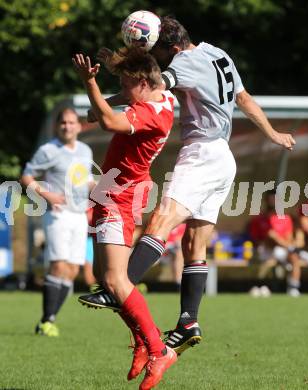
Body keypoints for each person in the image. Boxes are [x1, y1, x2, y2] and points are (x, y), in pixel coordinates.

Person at [79, 16, 296, 355]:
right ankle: (188, 321)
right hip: (224, 157)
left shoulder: (183, 62)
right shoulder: (218, 53)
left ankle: (119, 287)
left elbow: (150, 90)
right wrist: (272, 133)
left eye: (160, 53)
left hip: (201, 152)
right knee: (195, 243)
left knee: (160, 222)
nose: (161, 60)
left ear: (174, 47)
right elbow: (245, 100)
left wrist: (108, 85)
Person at [72, 47, 177, 389]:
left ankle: (159, 349)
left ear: (144, 83)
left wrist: (91, 84)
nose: (123, 90)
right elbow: (116, 103)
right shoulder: (161, 98)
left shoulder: (151, 114)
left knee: (116, 281)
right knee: (105, 277)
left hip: (122, 195)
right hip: (111, 191)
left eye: (126, 83)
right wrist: (107, 94)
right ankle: (144, 343)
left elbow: (108, 120)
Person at [21, 107, 94, 336]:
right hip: (58, 214)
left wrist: (104, 191)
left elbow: (87, 180)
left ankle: (48, 320)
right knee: (58, 265)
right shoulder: (48, 150)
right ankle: (47, 320)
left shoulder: (85, 150)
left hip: (79, 215)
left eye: (71, 122)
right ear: (57, 126)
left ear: (79, 126)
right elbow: (26, 176)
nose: (67, 126)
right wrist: (47, 195)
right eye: (63, 122)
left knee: (72, 270)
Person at [249, 190, 302, 297]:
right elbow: (257, 239)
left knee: (293, 258)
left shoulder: (286, 218)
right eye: (271, 200)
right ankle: (260, 285)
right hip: (264, 249)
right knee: (271, 253)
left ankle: (293, 288)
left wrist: (285, 244)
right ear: (266, 201)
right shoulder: (259, 219)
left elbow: (289, 237)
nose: (273, 202)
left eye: (276, 200)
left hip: (281, 250)